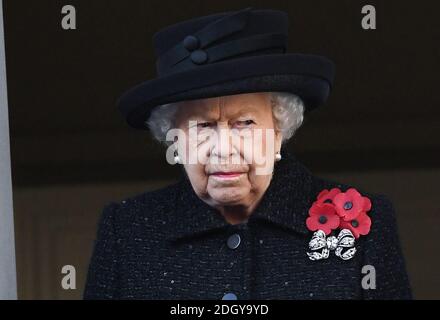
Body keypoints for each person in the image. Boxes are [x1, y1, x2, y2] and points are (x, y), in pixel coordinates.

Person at [84, 7, 412, 299]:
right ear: (175, 138)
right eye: (203, 126)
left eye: (244, 123)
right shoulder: (127, 231)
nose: (224, 148)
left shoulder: (365, 227)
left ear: (278, 129)